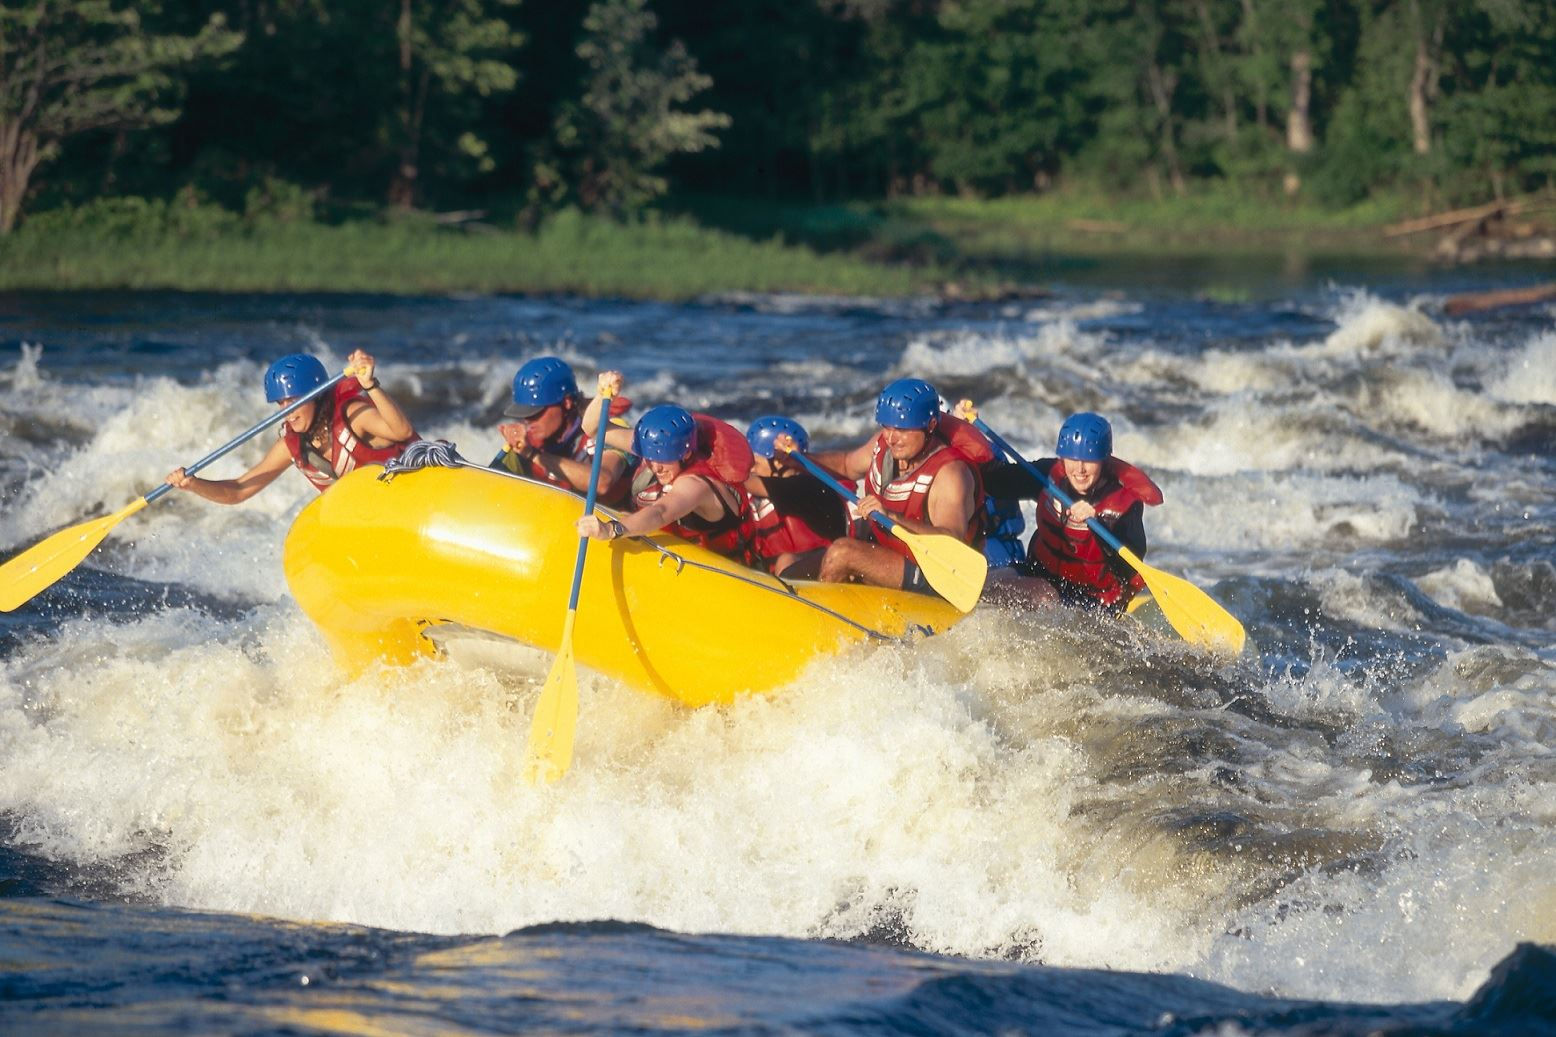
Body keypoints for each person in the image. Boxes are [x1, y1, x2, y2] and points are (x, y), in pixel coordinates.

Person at [806, 377, 994, 595]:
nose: (892, 438)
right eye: (886, 427)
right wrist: (796, 460)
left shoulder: (950, 475)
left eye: (902, 429)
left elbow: (951, 542)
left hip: (934, 576)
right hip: (892, 556)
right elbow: (846, 464)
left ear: (930, 426)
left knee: (841, 553)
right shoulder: (884, 444)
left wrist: (891, 517)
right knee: (797, 566)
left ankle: (824, 621)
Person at [165, 350, 416, 503]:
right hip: (368, 514)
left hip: (410, 493)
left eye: (294, 401)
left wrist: (371, 386)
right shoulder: (290, 442)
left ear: (315, 396)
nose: (287, 411)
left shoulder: (353, 415)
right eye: (281, 403)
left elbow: (401, 431)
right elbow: (239, 490)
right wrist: (194, 484)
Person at [981, 411, 1162, 613]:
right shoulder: (1048, 475)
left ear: (1104, 459)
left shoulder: (1124, 502)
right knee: (984, 585)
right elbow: (997, 483)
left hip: (1093, 600)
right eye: (1072, 459)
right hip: (1040, 574)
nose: (1080, 469)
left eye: (1089, 460)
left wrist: (1097, 525)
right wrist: (964, 428)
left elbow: (1128, 569)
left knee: (1043, 596)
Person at [576, 403, 756, 565]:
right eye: (650, 458)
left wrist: (612, 529)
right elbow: (593, 428)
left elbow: (660, 513)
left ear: (686, 455)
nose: (656, 468)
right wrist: (604, 392)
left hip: (727, 570)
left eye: (664, 460)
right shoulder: (655, 446)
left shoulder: (695, 485)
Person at [493, 357, 635, 506]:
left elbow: (602, 482)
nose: (527, 421)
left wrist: (533, 455)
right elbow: (491, 489)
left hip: (611, 524)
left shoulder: (610, 429)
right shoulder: (525, 444)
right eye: (523, 415)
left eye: (535, 413)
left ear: (566, 402)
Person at [742, 416, 849, 579]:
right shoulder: (757, 496)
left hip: (823, 571)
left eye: (754, 463)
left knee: (786, 560)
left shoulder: (806, 485)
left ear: (778, 462)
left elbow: (743, 481)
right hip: (774, 577)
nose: (750, 469)